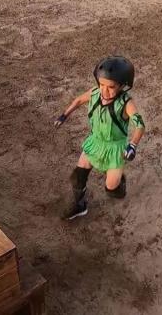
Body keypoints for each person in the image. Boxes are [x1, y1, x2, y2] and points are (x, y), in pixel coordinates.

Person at [54, 56, 146, 220]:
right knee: (78, 176)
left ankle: (119, 183)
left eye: (110, 87)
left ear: (122, 85)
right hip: (95, 142)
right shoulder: (95, 93)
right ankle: (80, 206)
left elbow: (140, 125)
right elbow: (79, 100)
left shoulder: (126, 104)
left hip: (115, 148)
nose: (104, 90)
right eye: (101, 84)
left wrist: (132, 145)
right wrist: (64, 115)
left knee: (112, 189)